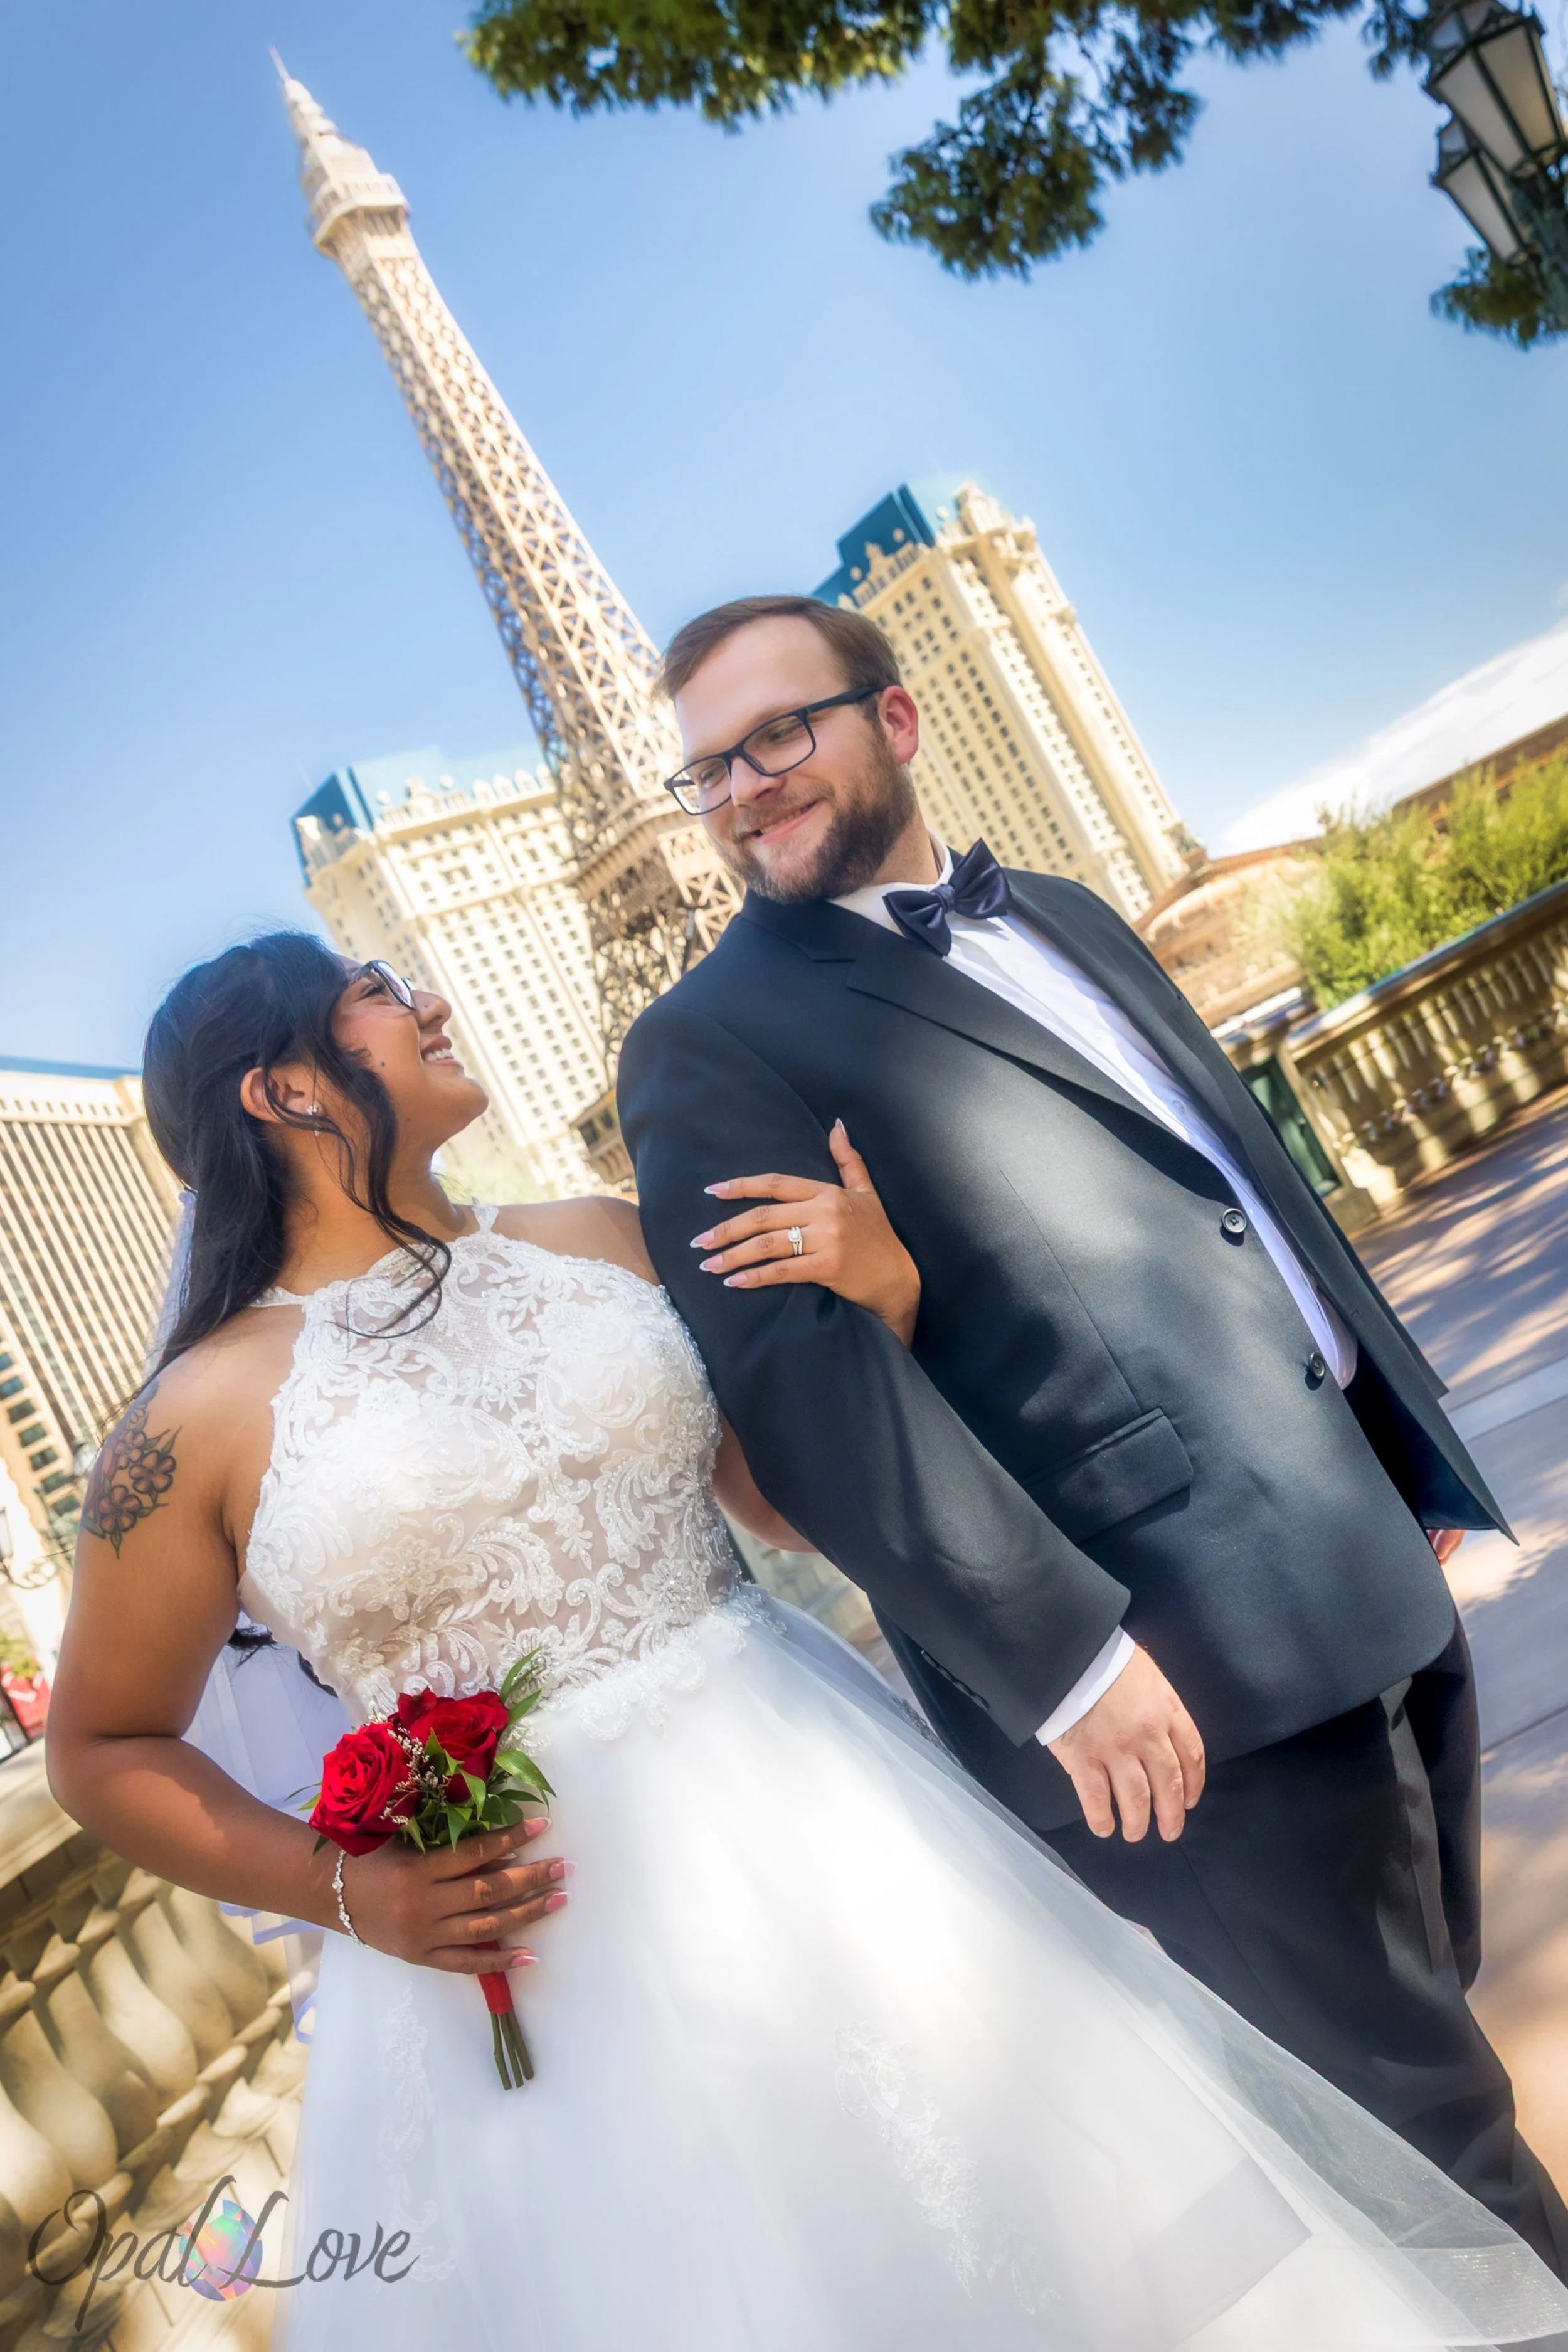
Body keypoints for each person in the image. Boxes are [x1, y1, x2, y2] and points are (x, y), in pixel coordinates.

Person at [45, 933, 1568, 2349]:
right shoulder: (186, 1426)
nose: (429, 1002)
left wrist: (882, 1305)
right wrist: (344, 1891)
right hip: (536, 1943)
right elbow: (101, 1747)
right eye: (378, 990)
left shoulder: (605, 1242)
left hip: (819, 1812)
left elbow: (778, 1504)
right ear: (286, 1087)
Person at [615, 593, 1568, 2277]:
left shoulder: (1054, 912)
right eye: (710, 768)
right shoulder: (702, 1044)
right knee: (1431, 2151)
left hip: (1352, 1560)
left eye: (782, 733)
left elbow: (1230, 1193)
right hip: (1163, 1688)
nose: (747, 784)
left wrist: (1395, 1458)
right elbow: (809, 1397)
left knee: (1434, 2074)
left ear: (894, 719)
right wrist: (1060, 1660)